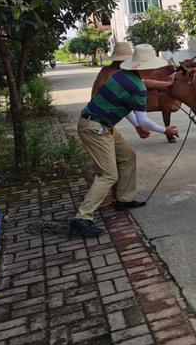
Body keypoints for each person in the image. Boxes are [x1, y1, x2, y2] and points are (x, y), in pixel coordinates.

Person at [70, 44, 179, 237]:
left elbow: (128, 102)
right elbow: (145, 118)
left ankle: (124, 199)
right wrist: (166, 130)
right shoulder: (137, 86)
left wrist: (137, 126)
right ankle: (82, 218)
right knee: (108, 174)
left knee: (128, 156)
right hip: (95, 128)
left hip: (101, 124)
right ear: (147, 67)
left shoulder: (122, 76)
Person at [91, 42, 150, 139]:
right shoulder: (117, 75)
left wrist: (137, 126)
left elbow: (121, 104)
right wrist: (138, 126)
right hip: (100, 120)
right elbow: (123, 104)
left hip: (97, 115)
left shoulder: (106, 70)